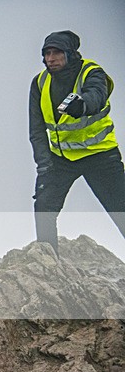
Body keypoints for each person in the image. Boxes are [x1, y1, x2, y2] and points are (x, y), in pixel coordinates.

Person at [29, 30, 125, 257]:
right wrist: (44, 164)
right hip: (60, 159)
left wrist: (82, 105)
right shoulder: (40, 82)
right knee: (44, 207)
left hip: (100, 155)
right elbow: (36, 130)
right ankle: (49, 263)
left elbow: (97, 95)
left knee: (120, 209)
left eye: (57, 53)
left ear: (70, 54)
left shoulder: (91, 72)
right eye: (47, 53)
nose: (51, 59)